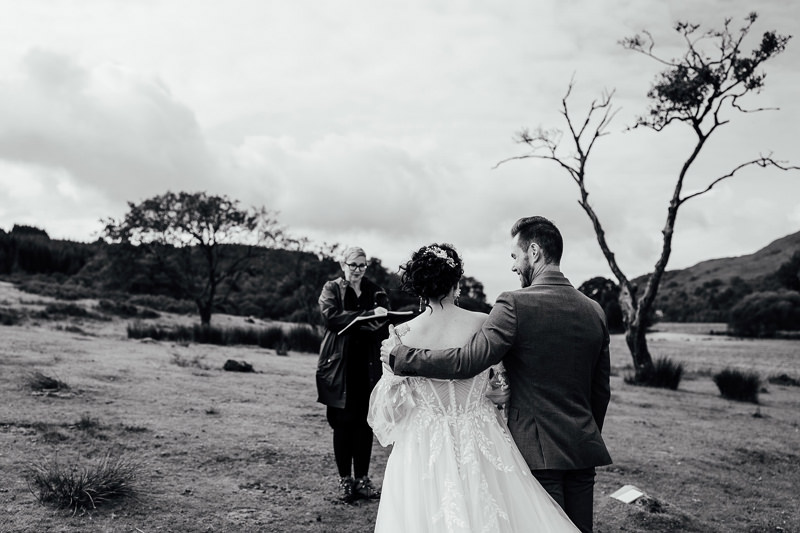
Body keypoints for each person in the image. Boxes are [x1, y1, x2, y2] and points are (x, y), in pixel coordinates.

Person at [381, 218, 612, 533]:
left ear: (533, 251)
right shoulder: (594, 310)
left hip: (536, 448)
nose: (514, 267)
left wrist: (403, 356)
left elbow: (467, 362)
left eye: (515, 257)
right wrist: (586, 433)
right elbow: (601, 391)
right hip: (583, 448)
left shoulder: (515, 304)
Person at [316, 246, 388, 503]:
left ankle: (363, 480)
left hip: (368, 367)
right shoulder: (331, 289)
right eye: (353, 265)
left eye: (362, 265)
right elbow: (332, 318)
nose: (358, 270)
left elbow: (384, 321)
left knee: (364, 424)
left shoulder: (374, 290)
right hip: (340, 367)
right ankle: (345, 480)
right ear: (343, 264)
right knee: (343, 425)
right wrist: (367, 316)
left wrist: (380, 319)